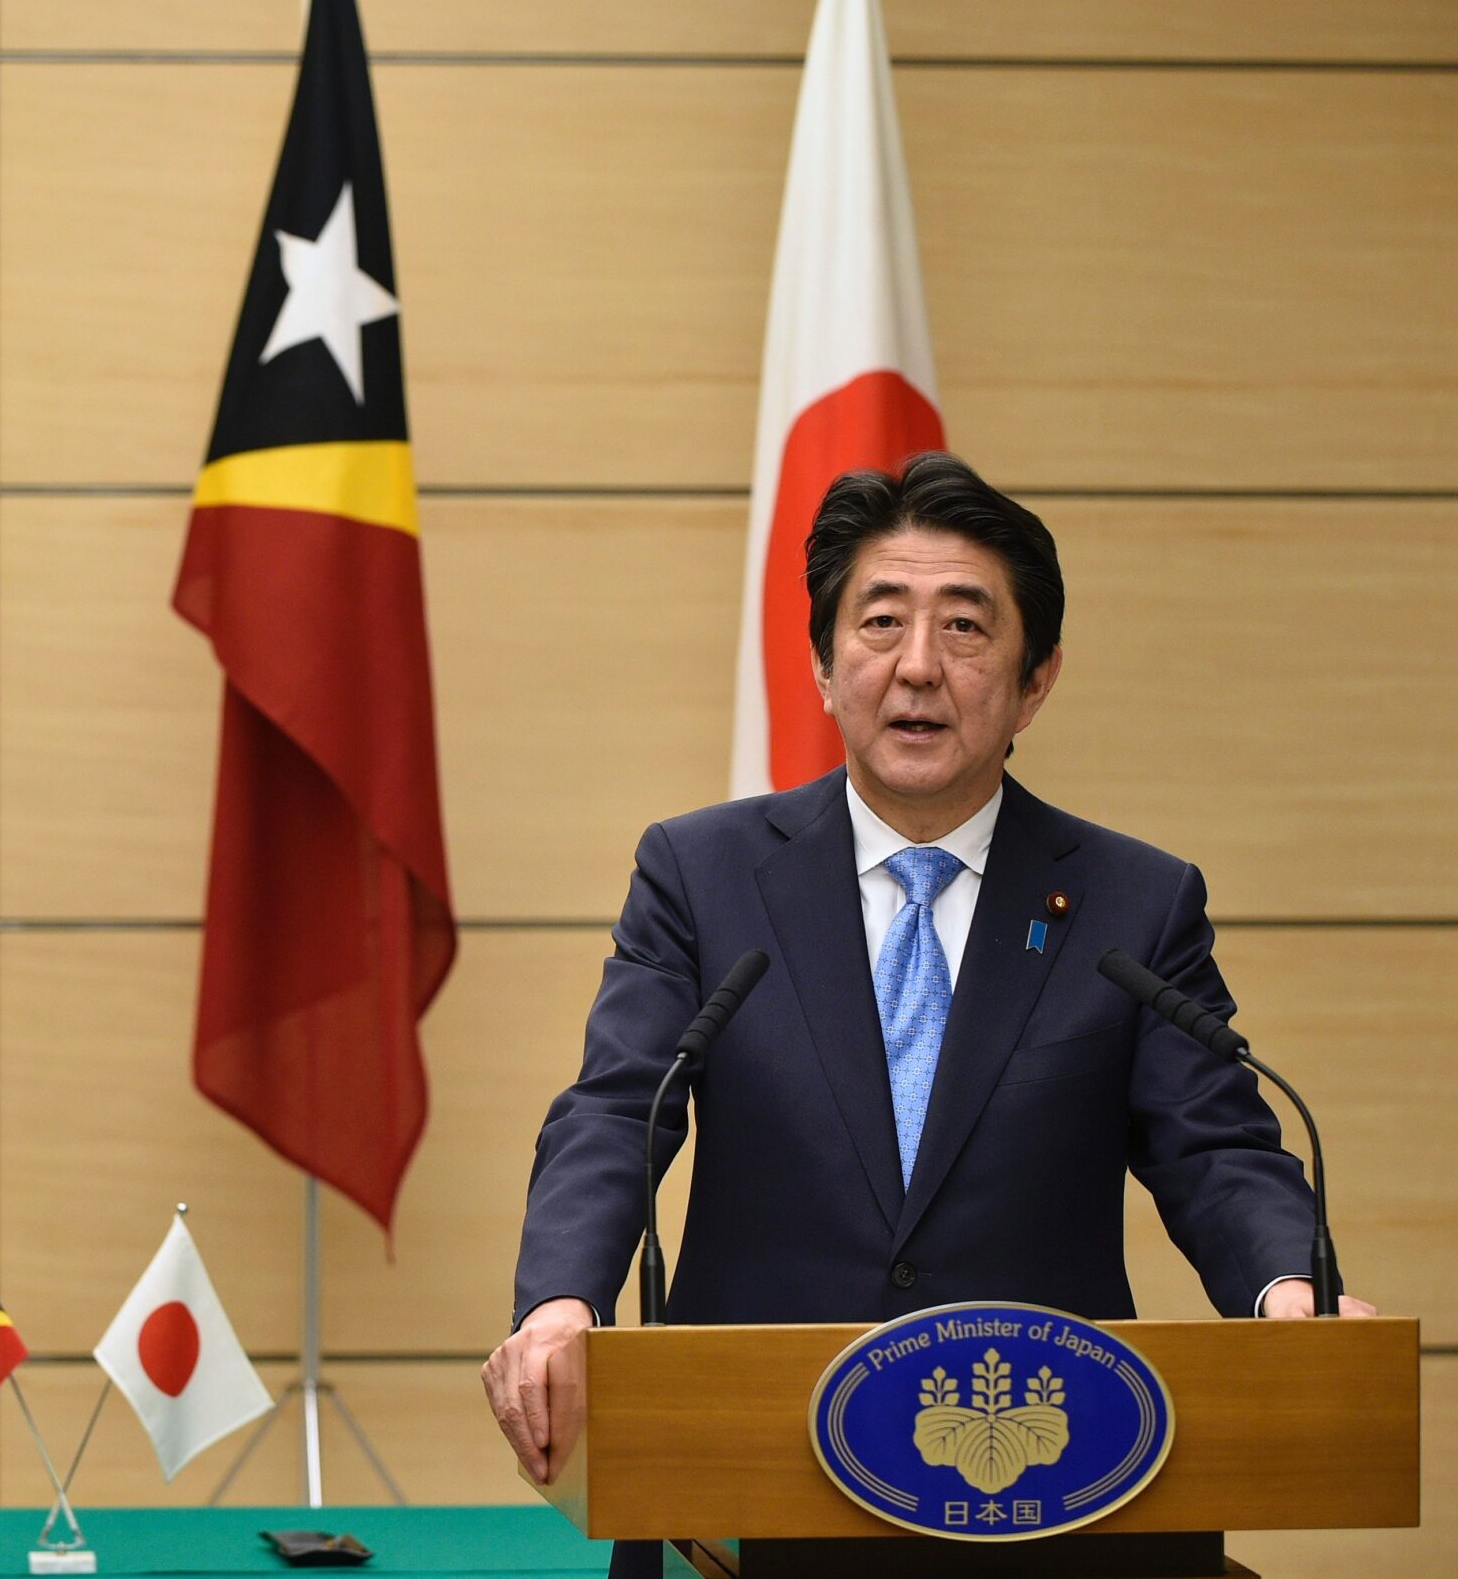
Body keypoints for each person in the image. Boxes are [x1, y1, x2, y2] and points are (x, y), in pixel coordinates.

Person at [484, 454, 1372, 1505]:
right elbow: (616, 1109)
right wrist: (563, 1301)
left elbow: (1215, 1145)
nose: (917, 666)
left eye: (963, 626)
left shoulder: (1133, 902)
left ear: (1034, 681)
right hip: (746, 1464)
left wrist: (1289, 1288)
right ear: (823, 668)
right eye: (879, 622)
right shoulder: (700, 874)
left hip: (1050, 1475)